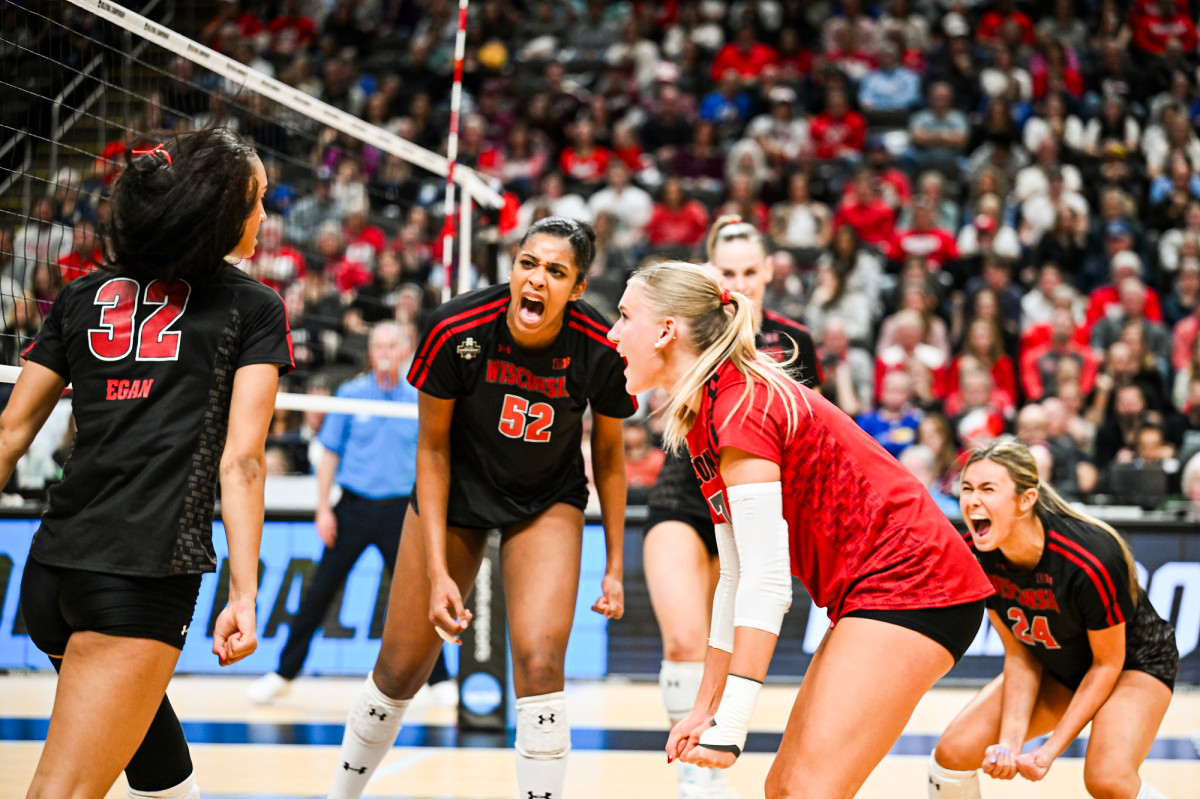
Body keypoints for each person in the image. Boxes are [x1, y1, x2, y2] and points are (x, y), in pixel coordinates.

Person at [608, 261, 993, 799]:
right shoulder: (706, 413)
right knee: (785, 789)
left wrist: (733, 723)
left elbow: (767, 583)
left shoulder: (740, 403)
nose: (613, 332)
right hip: (877, 591)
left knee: (807, 791)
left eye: (625, 316)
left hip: (914, 585)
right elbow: (734, 576)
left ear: (666, 330)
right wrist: (707, 707)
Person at [1, 128, 293, 799]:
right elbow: (242, 463)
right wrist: (244, 595)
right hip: (140, 574)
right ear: (219, 212)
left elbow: (10, 432)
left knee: (155, 759)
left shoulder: (81, 295)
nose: (263, 214)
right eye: (256, 200)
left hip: (52, 571)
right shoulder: (253, 306)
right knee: (61, 790)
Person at [325, 216, 636, 799]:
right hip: (459, 492)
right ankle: (340, 796)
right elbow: (432, 450)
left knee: (541, 663)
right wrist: (439, 570)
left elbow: (611, 455)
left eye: (556, 271)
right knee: (399, 670)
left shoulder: (599, 345)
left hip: (546, 498)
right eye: (528, 263)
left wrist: (615, 563)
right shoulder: (456, 327)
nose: (536, 280)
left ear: (577, 288)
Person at [641, 216, 822, 799]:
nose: (740, 282)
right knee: (684, 640)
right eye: (728, 271)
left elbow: (807, 427)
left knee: (727, 633)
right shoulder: (688, 329)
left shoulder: (793, 341)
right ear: (709, 271)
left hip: (751, 498)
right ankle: (694, 777)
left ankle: (712, 749)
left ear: (768, 271)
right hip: (685, 490)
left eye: (750, 271)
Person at [930, 437, 1178, 799]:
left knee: (1107, 780)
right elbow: (1021, 655)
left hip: (1133, 663)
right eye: (967, 488)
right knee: (951, 755)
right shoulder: (977, 554)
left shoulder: (1090, 557)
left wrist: (1048, 751)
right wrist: (1009, 744)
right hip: (1058, 665)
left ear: (1026, 499)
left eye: (988, 489)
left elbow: (1107, 664)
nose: (973, 500)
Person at [246, 321, 452, 706]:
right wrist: (323, 508)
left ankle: (439, 680)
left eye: (392, 345)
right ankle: (283, 674)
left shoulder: (417, 398)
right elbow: (330, 454)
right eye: (379, 346)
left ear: (405, 350)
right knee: (318, 592)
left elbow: (433, 457)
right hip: (352, 508)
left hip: (401, 513)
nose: (386, 352)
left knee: (419, 596)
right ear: (371, 353)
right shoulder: (351, 394)